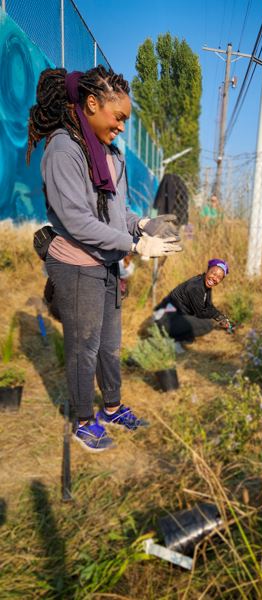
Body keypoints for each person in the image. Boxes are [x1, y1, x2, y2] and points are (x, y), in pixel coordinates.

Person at [27, 66, 181, 452]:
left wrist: (142, 224)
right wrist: (134, 246)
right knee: (84, 346)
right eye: (119, 117)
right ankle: (83, 420)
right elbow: (78, 221)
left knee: (110, 344)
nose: (122, 127)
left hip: (107, 263)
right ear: (92, 103)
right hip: (77, 265)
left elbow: (117, 213)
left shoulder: (111, 155)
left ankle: (111, 407)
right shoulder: (64, 149)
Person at [153, 258, 234, 350]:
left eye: (219, 277)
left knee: (199, 325)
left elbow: (209, 306)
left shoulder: (205, 285)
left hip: (173, 316)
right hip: (164, 318)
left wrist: (222, 318)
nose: (215, 278)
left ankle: (175, 338)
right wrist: (217, 322)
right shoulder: (196, 286)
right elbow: (200, 312)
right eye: (213, 273)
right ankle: (168, 340)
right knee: (207, 324)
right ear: (208, 270)